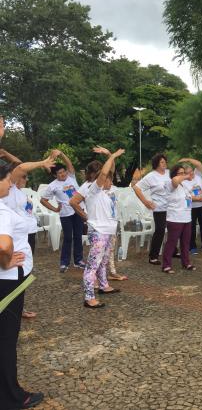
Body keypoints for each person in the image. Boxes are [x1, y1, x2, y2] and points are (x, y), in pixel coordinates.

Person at [0, 162, 45, 409]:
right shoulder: (2, 210)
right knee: (6, 339)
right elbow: (4, 245)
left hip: (7, 279)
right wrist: (6, 260)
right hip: (7, 281)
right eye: (7, 179)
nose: (10, 183)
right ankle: (11, 397)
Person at [3, 152, 56, 319]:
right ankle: (14, 309)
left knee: (24, 274)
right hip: (13, 242)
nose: (26, 179)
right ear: (13, 177)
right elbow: (20, 165)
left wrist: (5, 154)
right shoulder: (8, 190)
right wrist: (42, 162)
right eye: (23, 176)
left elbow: (19, 164)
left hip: (26, 235)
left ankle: (18, 307)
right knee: (15, 276)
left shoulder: (18, 191)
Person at [70, 148, 128, 281]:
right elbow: (73, 202)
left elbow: (111, 168)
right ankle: (94, 280)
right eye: (98, 171)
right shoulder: (89, 186)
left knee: (109, 251)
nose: (102, 173)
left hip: (110, 222)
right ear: (90, 174)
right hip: (98, 226)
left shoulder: (107, 181)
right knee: (97, 255)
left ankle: (110, 274)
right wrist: (86, 216)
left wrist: (108, 154)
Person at [78, 149, 125, 308]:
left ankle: (103, 286)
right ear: (101, 179)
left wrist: (109, 156)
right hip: (98, 232)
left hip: (107, 231)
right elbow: (105, 173)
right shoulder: (93, 190)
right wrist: (112, 156)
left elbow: (109, 170)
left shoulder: (104, 193)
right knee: (92, 265)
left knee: (102, 262)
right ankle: (88, 297)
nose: (110, 181)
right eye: (108, 179)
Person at [40, 150, 84, 273]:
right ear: (55, 175)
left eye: (64, 171)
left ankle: (78, 260)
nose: (63, 174)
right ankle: (64, 263)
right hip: (65, 214)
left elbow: (70, 165)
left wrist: (61, 154)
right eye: (60, 173)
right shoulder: (52, 186)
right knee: (68, 238)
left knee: (78, 236)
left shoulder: (71, 177)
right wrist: (55, 209)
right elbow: (43, 200)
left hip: (78, 211)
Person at [133, 153, 171, 265]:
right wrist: (145, 202)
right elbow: (136, 188)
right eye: (162, 162)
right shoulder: (151, 176)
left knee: (173, 230)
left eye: (165, 162)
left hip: (171, 207)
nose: (164, 164)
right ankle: (153, 256)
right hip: (159, 208)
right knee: (160, 230)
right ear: (156, 164)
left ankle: (173, 251)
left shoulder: (169, 173)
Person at [161, 163, 196, 273]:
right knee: (172, 242)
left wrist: (197, 197)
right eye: (180, 173)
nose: (182, 175)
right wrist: (186, 176)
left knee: (185, 243)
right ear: (174, 174)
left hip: (186, 218)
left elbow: (188, 198)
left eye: (183, 173)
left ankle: (186, 263)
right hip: (175, 218)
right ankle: (166, 265)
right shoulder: (170, 184)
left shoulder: (184, 186)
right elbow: (175, 181)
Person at [180, 158, 202, 254]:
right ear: (184, 174)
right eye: (188, 173)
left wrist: (188, 159)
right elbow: (185, 196)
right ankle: (192, 246)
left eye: (192, 171)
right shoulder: (183, 182)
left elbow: (199, 163)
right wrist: (197, 199)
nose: (191, 174)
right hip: (191, 207)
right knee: (191, 227)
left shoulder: (198, 175)